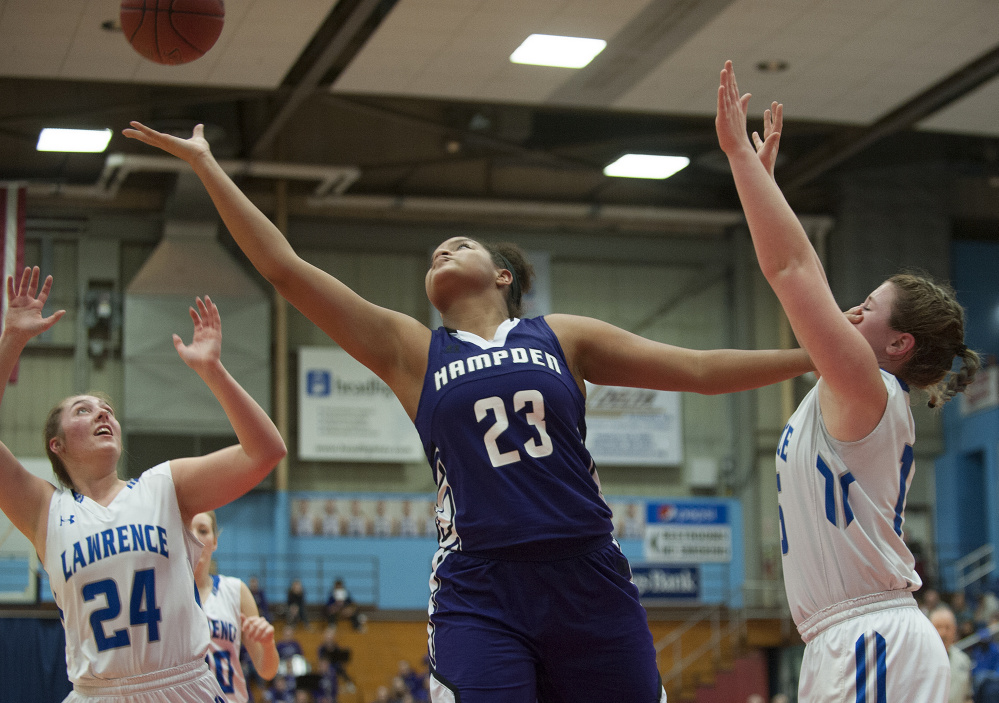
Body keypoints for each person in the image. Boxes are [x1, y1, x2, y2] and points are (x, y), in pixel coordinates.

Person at [124, 119, 814, 703]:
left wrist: (807, 352)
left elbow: (693, 370)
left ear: (503, 276)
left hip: (587, 571)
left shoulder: (560, 336)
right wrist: (207, 165)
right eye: (435, 251)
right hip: (481, 583)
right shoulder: (413, 352)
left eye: (461, 244)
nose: (443, 249)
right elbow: (285, 267)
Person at [716, 59, 980, 701]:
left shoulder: (870, 388)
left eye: (868, 304)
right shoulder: (848, 393)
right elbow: (793, 270)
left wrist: (743, 165)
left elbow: (792, 271)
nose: (852, 309)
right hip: (842, 640)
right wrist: (764, 186)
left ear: (898, 343)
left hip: (871, 639)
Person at [0, 268, 286, 702]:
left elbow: (266, 451)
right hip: (96, 692)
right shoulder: (45, 511)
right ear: (55, 445)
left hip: (182, 686)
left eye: (107, 409)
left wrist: (212, 371)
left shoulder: (163, 487)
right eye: (83, 410)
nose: (102, 414)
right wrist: (12, 341)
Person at [191, 511, 280, 702]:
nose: (196, 537)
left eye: (203, 530)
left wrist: (267, 644)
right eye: (188, 530)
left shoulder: (236, 591)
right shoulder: (163, 595)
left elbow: (266, 671)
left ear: (215, 541)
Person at [930, 605, 975, 703]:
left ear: (954, 630)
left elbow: (968, 697)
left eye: (947, 627)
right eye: (938, 627)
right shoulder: (920, 660)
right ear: (929, 629)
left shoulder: (963, 660)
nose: (943, 633)